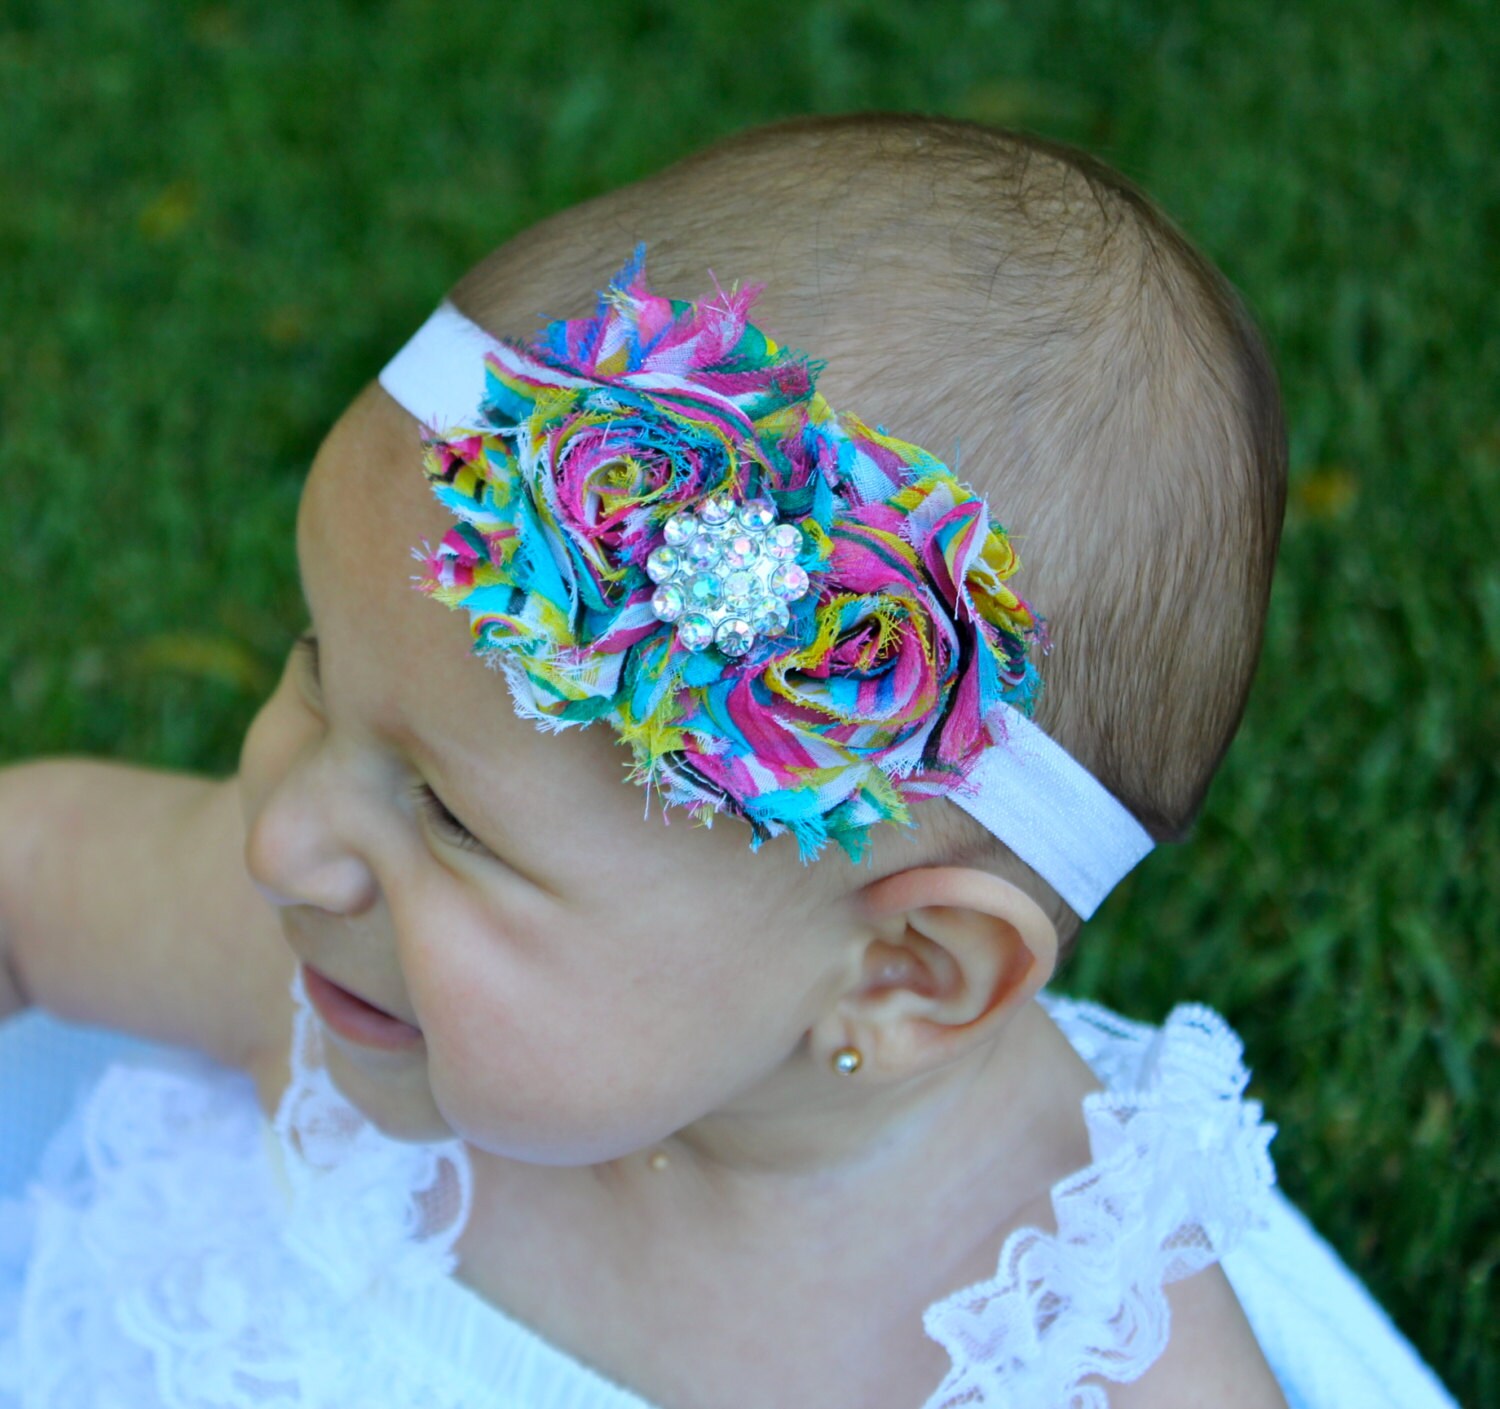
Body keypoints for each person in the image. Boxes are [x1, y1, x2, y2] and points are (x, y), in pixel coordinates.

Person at [0, 114, 1458, 1409]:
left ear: (906, 972)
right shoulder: (338, 977)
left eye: (449, 813)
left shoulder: (1073, 1358)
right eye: (318, 669)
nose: (283, 839)